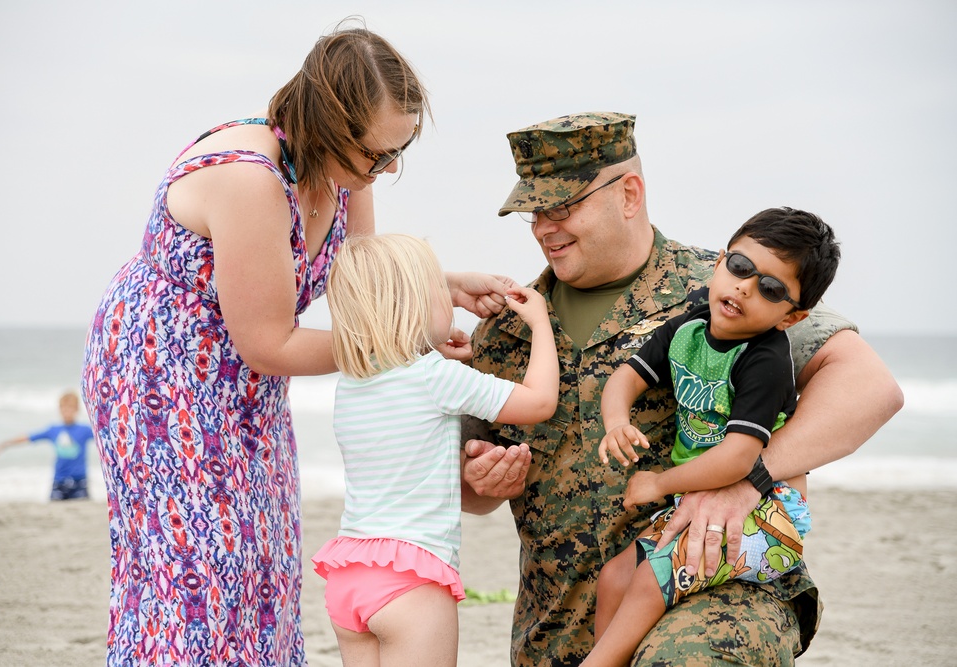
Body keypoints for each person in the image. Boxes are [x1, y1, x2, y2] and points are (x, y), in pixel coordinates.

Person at [81, 22, 513, 666]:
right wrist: (400, 347)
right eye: (376, 154)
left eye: (400, 151)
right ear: (331, 128)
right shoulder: (250, 179)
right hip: (163, 371)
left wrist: (441, 288)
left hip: (243, 378)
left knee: (263, 551)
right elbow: (269, 343)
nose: (387, 169)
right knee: (196, 561)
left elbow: (367, 284)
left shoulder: (347, 177)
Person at [460, 112, 904, 666]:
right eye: (534, 210)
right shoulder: (508, 331)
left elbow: (870, 388)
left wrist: (746, 478)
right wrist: (479, 480)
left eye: (564, 207)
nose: (544, 226)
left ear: (629, 193)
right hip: (560, 631)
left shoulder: (725, 292)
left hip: (715, 594)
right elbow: (470, 497)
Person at [583, 207, 841, 666]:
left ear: (792, 317)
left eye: (771, 288)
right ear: (720, 261)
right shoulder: (689, 328)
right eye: (741, 267)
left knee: (651, 579)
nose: (745, 286)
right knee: (615, 578)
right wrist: (617, 422)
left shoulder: (765, 361)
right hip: (698, 502)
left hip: (766, 514)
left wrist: (658, 484)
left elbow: (739, 459)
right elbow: (626, 376)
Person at [311, 233, 558, 666]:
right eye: (439, 293)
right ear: (416, 308)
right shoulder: (433, 378)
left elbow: (410, 414)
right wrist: (541, 325)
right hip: (411, 578)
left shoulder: (353, 382)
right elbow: (539, 402)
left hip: (349, 572)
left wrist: (441, 358)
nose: (450, 300)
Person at [0, 390, 92, 501]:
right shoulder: (53, 430)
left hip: (80, 481)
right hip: (59, 480)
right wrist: (6, 443)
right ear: (59, 409)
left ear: (77, 409)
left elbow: (104, 437)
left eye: (70, 408)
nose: (67, 411)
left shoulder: (85, 430)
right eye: (64, 408)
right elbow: (29, 437)